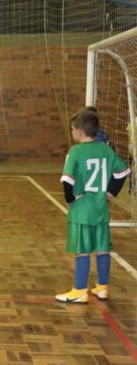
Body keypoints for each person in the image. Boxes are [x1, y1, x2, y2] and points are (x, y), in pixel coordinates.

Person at [56, 110, 130, 304]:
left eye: (72, 129)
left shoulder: (76, 151)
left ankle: (80, 290)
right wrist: (111, 193)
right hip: (101, 208)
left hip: (82, 209)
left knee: (83, 250)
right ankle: (102, 288)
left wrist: (70, 199)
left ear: (79, 131)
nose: (71, 132)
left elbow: (67, 180)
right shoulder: (106, 149)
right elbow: (124, 171)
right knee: (102, 249)